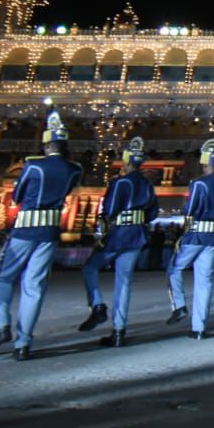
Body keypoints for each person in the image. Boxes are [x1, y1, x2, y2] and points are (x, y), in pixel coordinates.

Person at [0, 109, 82, 360]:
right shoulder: (74, 169)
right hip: (50, 232)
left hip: (25, 229)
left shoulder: (34, 165)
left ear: (46, 143)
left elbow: (18, 196)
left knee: (3, 278)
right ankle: (23, 342)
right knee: (34, 286)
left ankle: (1, 325)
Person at [78, 137, 161, 347]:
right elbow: (152, 213)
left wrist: (103, 231)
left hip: (117, 234)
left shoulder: (120, 182)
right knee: (124, 281)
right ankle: (118, 331)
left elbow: (110, 209)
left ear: (125, 161)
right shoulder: (148, 185)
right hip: (137, 234)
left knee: (90, 268)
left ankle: (97, 306)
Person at [164, 138, 214, 339]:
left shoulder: (198, 183)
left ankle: (180, 306)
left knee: (174, 269)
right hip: (213, 236)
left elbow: (190, 210)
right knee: (205, 281)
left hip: (196, 234)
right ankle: (199, 328)